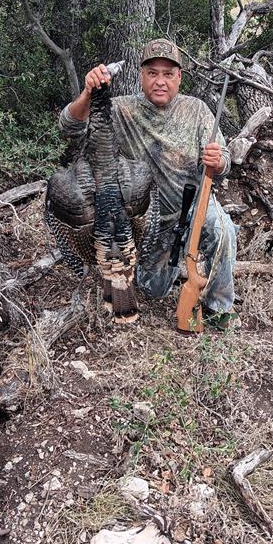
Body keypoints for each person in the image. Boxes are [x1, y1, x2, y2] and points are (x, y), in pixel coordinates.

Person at [58, 38, 240, 330]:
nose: (160, 81)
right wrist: (88, 92)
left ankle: (219, 307)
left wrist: (218, 161)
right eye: (152, 73)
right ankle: (178, 263)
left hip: (192, 206)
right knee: (152, 289)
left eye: (168, 74)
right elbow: (69, 126)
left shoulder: (197, 110)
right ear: (141, 75)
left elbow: (223, 164)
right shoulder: (120, 110)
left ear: (179, 77)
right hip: (148, 224)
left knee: (222, 230)